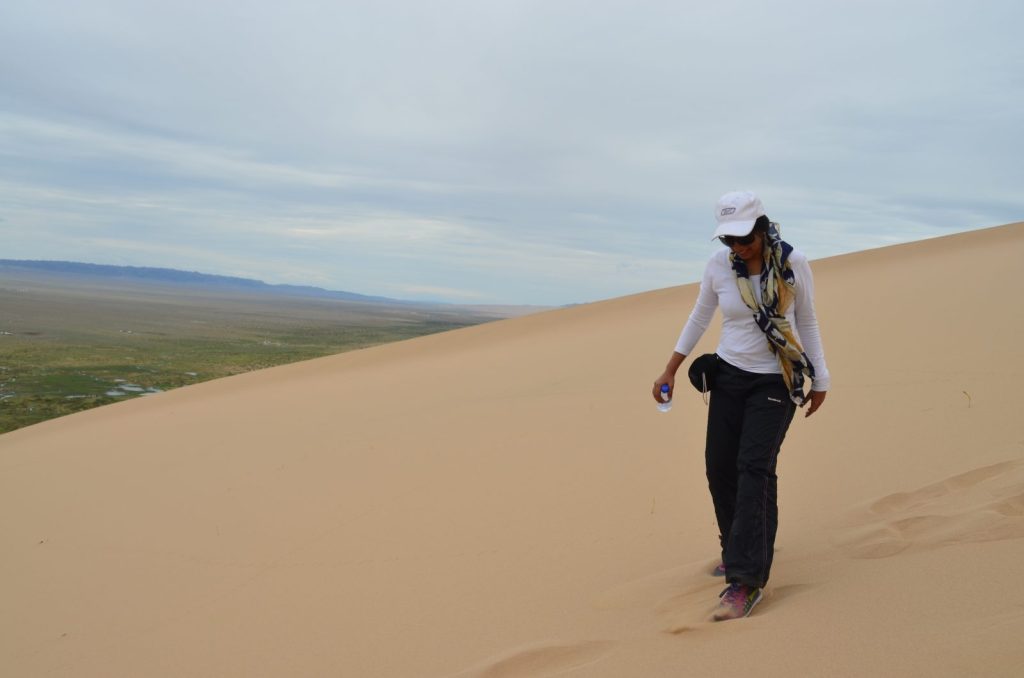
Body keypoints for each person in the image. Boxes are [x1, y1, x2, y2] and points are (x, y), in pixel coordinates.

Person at [651, 190, 830, 621]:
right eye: (728, 240)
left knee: (754, 468)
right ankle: (739, 549)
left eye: (744, 237)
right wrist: (670, 369)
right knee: (720, 467)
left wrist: (821, 378)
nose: (737, 247)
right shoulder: (719, 267)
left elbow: (806, 319)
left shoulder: (792, 263)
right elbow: (700, 316)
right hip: (729, 376)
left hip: (776, 379)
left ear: (763, 225)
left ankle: (746, 580)